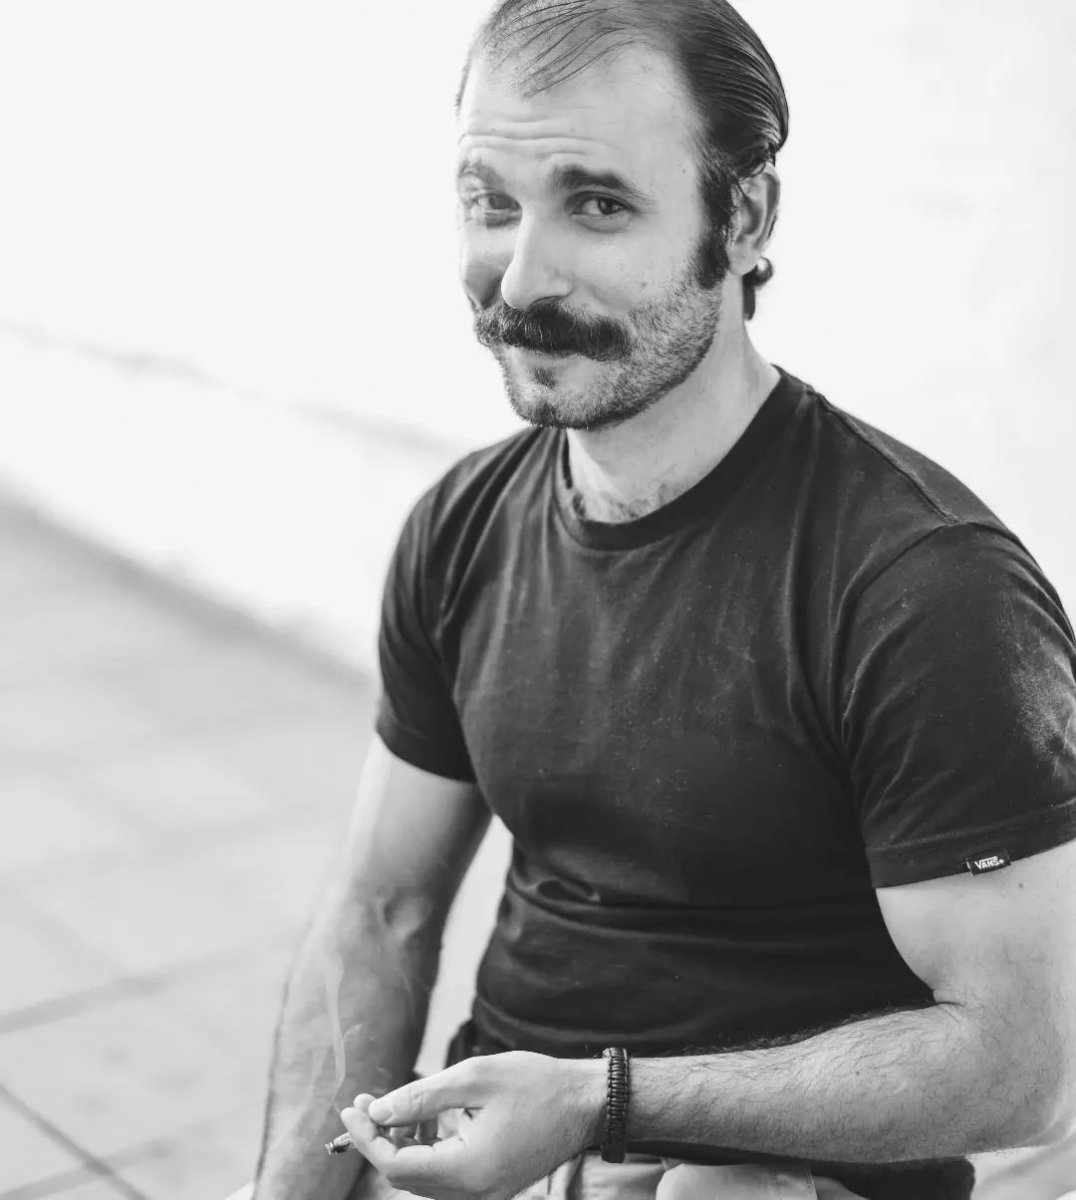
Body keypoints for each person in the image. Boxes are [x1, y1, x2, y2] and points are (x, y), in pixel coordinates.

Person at [251, 3, 1076, 1199]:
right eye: (490, 201)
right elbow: (381, 907)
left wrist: (598, 1102)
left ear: (742, 219)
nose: (521, 277)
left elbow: (1020, 1067)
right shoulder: (461, 524)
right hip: (494, 1155)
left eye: (596, 204)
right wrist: (292, 1190)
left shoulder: (924, 586)